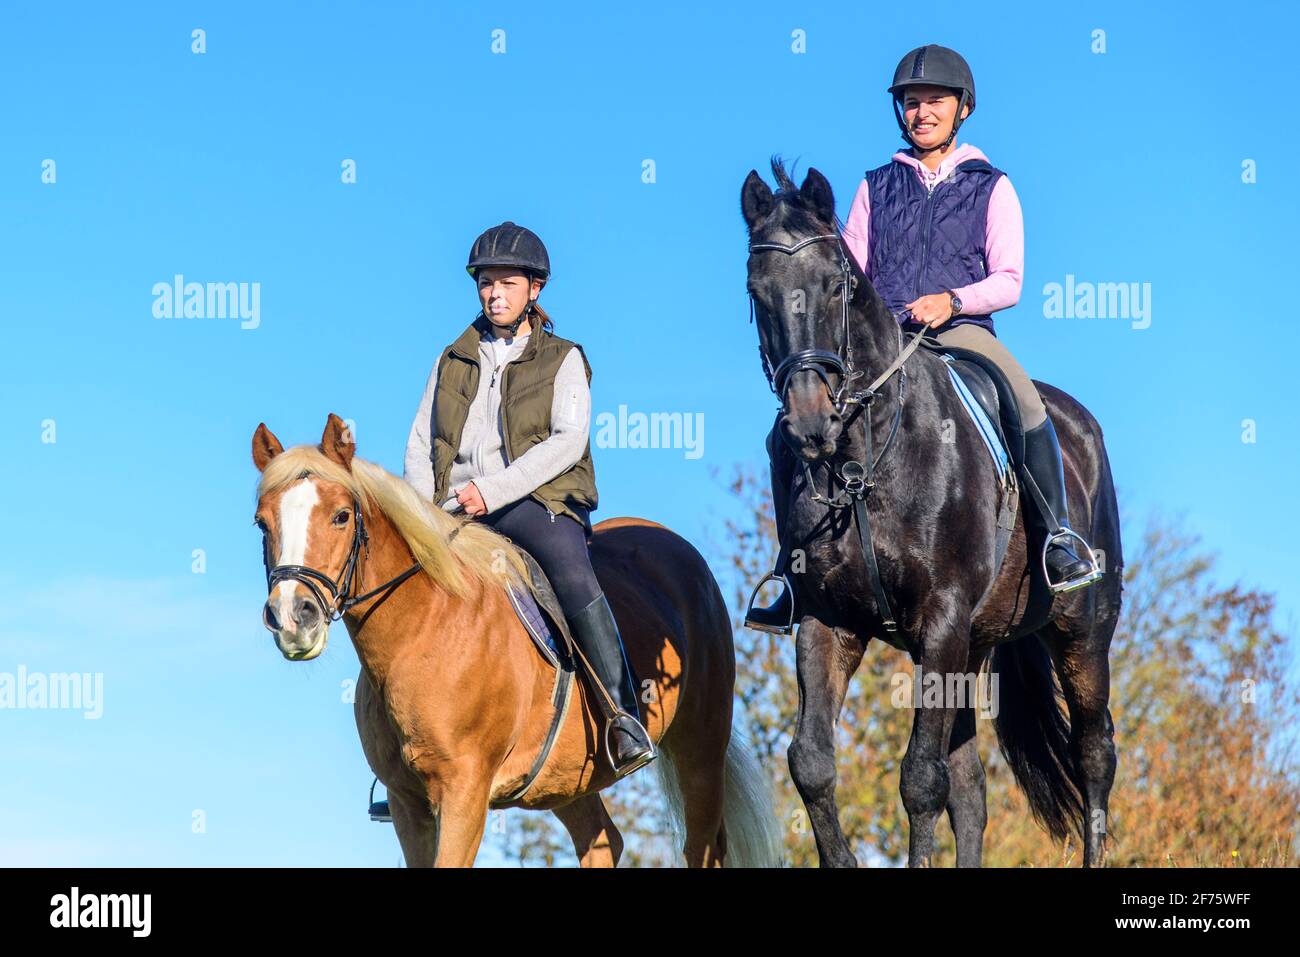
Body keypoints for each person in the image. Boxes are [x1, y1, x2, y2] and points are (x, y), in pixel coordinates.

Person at [747, 44, 1100, 632]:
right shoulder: (875, 187)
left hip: (962, 331)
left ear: (961, 109)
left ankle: (1055, 537)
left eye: (934, 101)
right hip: (883, 343)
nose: (922, 112)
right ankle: (791, 570)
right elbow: (848, 275)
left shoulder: (993, 186)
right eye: (911, 103)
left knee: (1025, 401)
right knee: (783, 434)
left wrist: (954, 301)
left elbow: (1009, 279)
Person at [404, 221, 655, 777]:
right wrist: (421, 513)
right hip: (451, 506)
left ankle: (622, 713)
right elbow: (422, 441)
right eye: (485, 283)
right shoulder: (452, 358)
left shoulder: (563, 357)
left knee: (570, 571)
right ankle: (405, 747)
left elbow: (569, 442)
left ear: (534, 290)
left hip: (534, 499)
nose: (494, 294)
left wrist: (490, 492)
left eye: (507, 283)